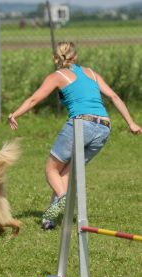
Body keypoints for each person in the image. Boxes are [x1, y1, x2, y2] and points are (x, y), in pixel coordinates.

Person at [8, 41, 142, 230]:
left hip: (81, 124)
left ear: (56, 58)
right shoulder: (91, 73)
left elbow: (34, 98)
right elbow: (114, 97)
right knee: (67, 173)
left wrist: (15, 114)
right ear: (75, 56)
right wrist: (131, 123)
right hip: (104, 126)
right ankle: (50, 218)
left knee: (51, 170)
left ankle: (64, 199)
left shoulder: (57, 76)